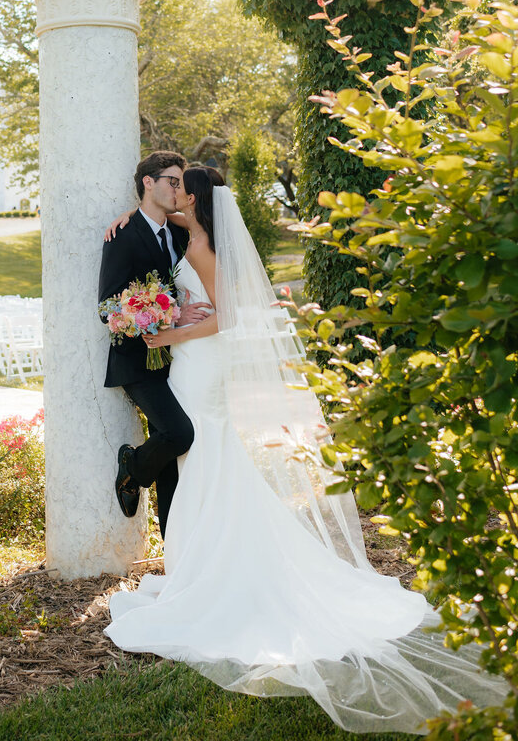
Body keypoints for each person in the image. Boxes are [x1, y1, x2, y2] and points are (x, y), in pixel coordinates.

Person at [103, 167, 507, 734]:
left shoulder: (201, 245)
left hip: (198, 364)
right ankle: (193, 563)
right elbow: (149, 222)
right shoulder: (182, 229)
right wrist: (128, 217)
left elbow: (228, 318)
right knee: (202, 459)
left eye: (179, 188)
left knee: (205, 451)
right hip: (191, 366)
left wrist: (167, 335)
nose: (172, 194)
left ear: (192, 196)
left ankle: (206, 569)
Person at [98, 151, 211, 538]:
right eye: (173, 181)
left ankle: (175, 554)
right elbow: (108, 306)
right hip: (136, 361)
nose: (179, 190)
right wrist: (169, 315)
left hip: (180, 359)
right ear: (149, 182)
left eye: (181, 183)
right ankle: (131, 467)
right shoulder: (122, 236)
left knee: (172, 461)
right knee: (179, 434)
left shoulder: (180, 232)